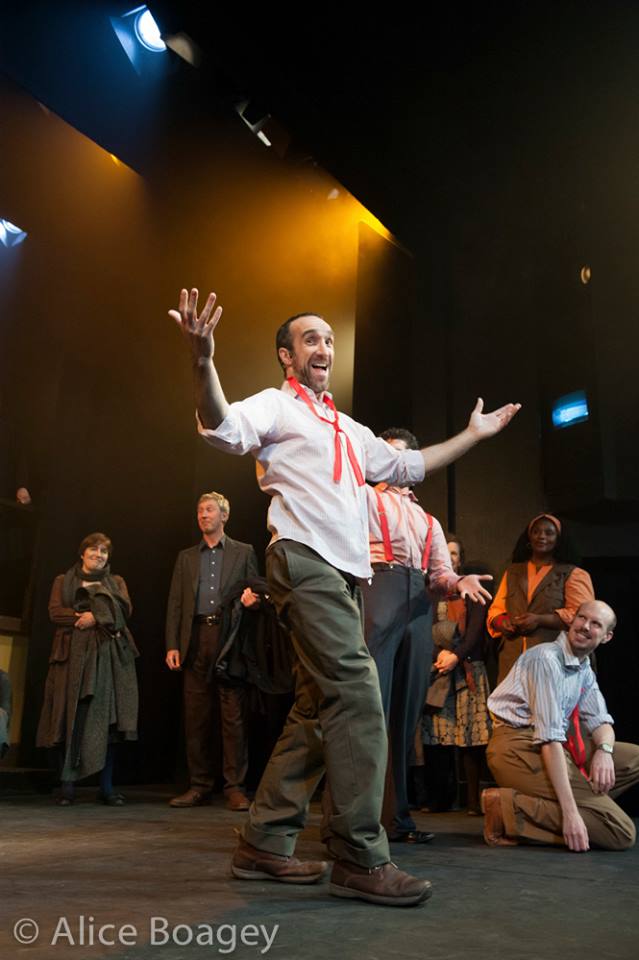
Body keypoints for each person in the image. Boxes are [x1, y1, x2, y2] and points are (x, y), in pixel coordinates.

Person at [168, 286, 520, 906]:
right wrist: (203, 359)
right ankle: (358, 855)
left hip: (342, 575)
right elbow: (222, 426)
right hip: (301, 559)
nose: (324, 347)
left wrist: (473, 434)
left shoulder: (349, 429)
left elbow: (410, 467)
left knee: (316, 708)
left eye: (329, 339)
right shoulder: (277, 407)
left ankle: (263, 841)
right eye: (310, 339)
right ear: (287, 356)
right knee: (358, 691)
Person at [364, 431, 492, 841]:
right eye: (387, 455)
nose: (395, 463)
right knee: (369, 712)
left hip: (418, 606)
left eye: (403, 457)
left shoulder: (428, 520)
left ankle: (396, 819)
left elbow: (439, 575)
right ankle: (355, 823)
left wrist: (458, 582)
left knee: (404, 719)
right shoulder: (362, 499)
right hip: (376, 593)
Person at [483, 600, 639, 851]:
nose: (585, 626)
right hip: (516, 749)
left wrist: (604, 751)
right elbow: (550, 740)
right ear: (572, 621)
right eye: (582, 618)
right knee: (620, 832)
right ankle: (508, 807)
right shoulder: (546, 659)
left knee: (634, 758)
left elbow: (601, 722)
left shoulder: (583, 667)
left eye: (595, 624)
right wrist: (569, 814)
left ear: (607, 637)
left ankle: (587, 810)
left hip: (549, 745)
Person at [166, 491, 260, 811]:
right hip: (195, 638)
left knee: (233, 717)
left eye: (209, 510)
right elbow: (175, 603)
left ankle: (235, 788)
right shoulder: (186, 557)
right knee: (196, 718)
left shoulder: (243, 552)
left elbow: (256, 592)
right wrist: (172, 644)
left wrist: (254, 602)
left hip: (228, 639)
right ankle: (199, 785)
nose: (203, 515)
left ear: (224, 516)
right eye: (200, 510)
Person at [36, 533, 138, 805]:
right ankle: (67, 786)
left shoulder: (116, 582)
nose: (99, 555)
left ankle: (106, 787)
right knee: (69, 717)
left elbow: (124, 610)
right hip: (70, 658)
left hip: (106, 658)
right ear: (82, 553)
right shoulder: (63, 581)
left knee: (107, 722)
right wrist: (82, 617)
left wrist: (96, 617)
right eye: (94, 549)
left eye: (104, 551)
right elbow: (55, 612)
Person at [421, 535, 492, 815]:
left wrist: (456, 656)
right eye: (444, 552)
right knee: (437, 737)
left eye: (453, 553)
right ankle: (439, 800)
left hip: (467, 669)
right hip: (437, 669)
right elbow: (421, 628)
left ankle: (473, 802)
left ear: (460, 560)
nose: (449, 557)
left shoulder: (471, 590)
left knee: (470, 739)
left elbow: (475, 631)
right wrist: (438, 653)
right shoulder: (428, 592)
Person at [487, 513, 595, 683]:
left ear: (558, 539)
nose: (541, 536)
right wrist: (502, 622)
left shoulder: (573, 574)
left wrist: (540, 620)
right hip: (512, 658)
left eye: (549, 533)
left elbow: (582, 617)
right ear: (529, 537)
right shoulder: (513, 572)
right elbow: (496, 609)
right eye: (536, 532)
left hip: (552, 659)